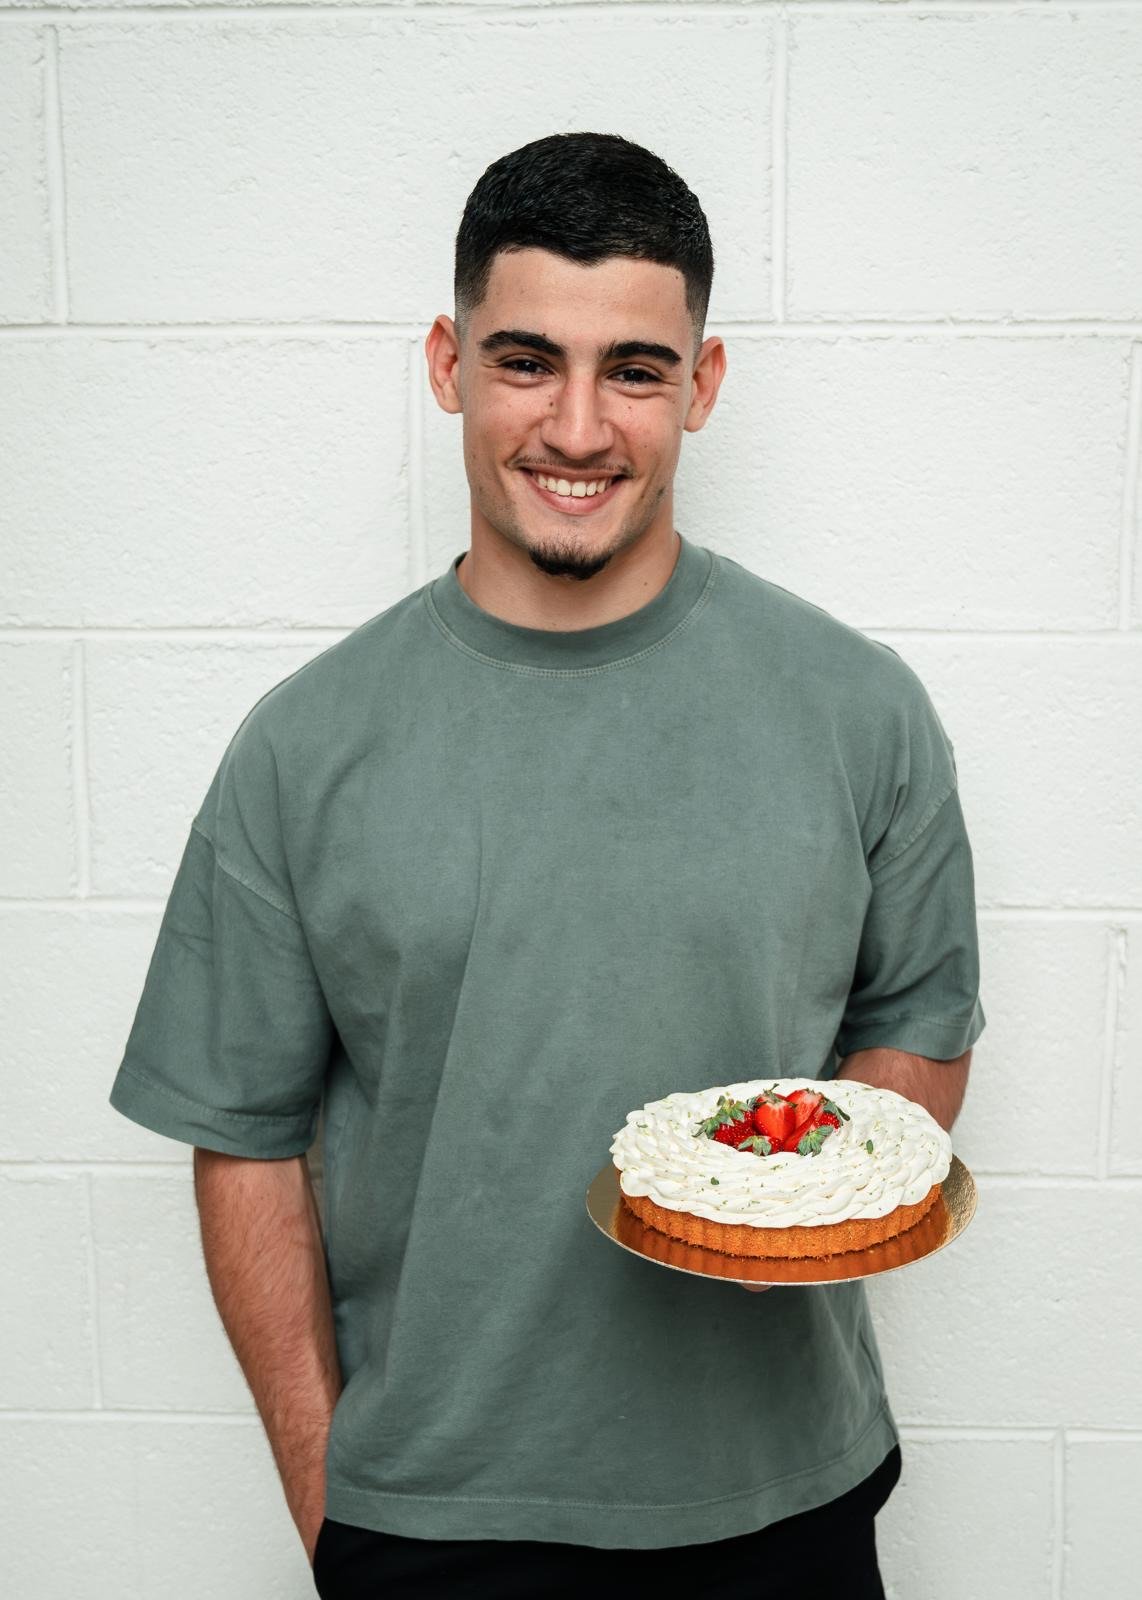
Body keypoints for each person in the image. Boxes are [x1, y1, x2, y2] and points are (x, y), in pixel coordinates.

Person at [108, 131, 985, 1599]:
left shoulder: (858, 708)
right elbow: (242, 1139)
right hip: (433, 1531)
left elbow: (915, 1023)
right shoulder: (304, 746)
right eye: (527, 361)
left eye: (633, 371)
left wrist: (797, 1190)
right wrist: (335, 1503)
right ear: (447, 363)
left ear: (698, 389)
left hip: (787, 1503)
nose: (578, 427)